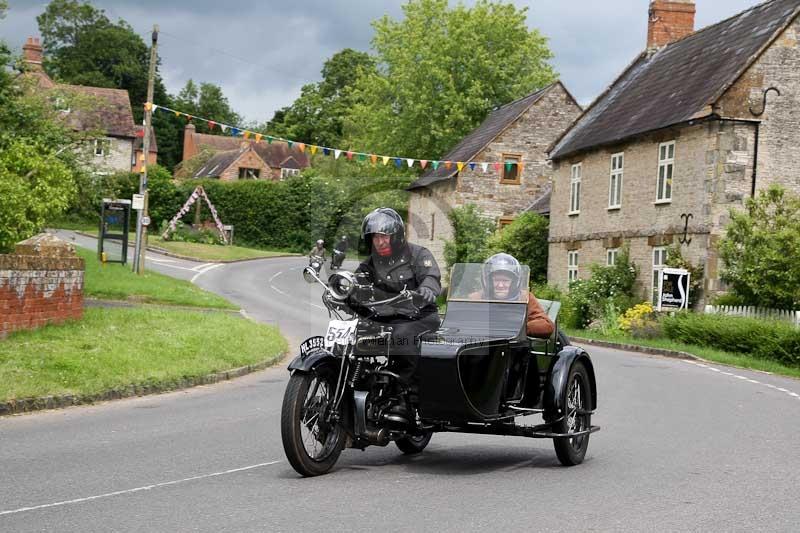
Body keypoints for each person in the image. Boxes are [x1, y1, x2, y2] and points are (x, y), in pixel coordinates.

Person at [355, 207, 441, 386]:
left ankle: (406, 390)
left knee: (402, 337)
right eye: (376, 237)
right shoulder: (371, 263)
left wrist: (427, 289)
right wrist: (342, 290)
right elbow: (355, 281)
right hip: (384, 317)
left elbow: (431, 276)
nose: (380, 242)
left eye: (384, 236)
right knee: (351, 337)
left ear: (396, 236)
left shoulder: (418, 254)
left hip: (418, 316)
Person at [472, 253, 555, 338]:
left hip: (513, 345)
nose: (500, 285)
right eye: (496, 280)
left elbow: (546, 325)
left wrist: (517, 328)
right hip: (481, 342)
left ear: (514, 282)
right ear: (488, 281)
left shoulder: (524, 297)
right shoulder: (476, 298)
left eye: (505, 281)